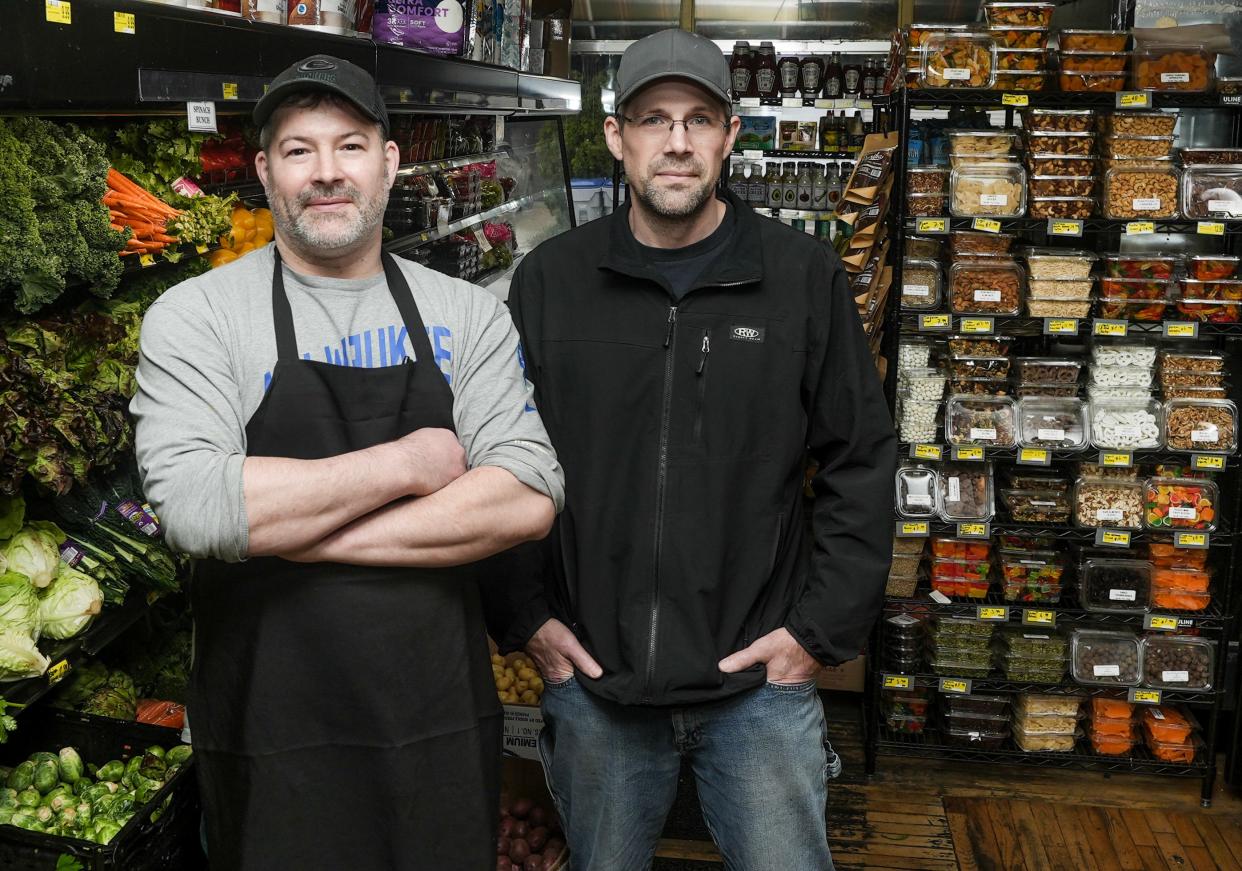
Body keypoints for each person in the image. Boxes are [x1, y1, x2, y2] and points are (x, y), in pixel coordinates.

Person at [130, 55, 564, 870]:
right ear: (264, 170)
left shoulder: (464, 315)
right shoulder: (195, 316)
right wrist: (414, 459)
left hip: (432, 722)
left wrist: (289, 530)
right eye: (298, 150)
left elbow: (527, 496)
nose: (327, 173)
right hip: (268, 732)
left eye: (351, 145)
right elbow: (196, 504)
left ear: (389, 162)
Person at [494, 28, 896, 870]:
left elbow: (862, 456)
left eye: (699, 119)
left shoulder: (802, 280)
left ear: (729, 135)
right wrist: (525, 618)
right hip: (597, 685)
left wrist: (813, 634)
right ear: (616, 135)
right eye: (652, 119)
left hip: (757, 686)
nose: (676, 141)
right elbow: (496, 458)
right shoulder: (549, 283)